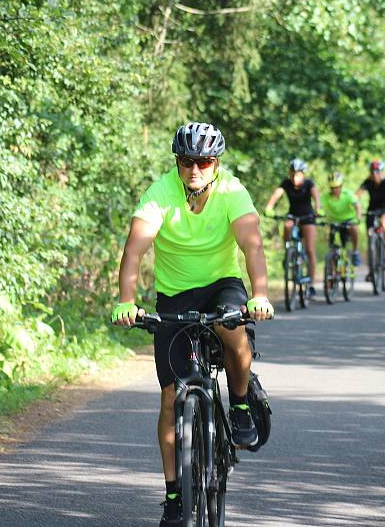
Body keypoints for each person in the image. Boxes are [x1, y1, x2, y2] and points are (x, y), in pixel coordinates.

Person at [111, 122, 274, 527]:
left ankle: (238, 405)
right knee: (170, 398)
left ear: (216, 163)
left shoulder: (233, 192)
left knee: (234, 333)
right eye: (187, 161)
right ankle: (173, 497)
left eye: (204, 161)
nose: (195, 169)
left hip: (222, 285)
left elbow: (251, 245)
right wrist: (126, 301)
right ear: (177, 163)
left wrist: (260, 294)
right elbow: (134, 251)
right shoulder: (160, 194)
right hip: (174, 295)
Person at [264, 158, 321, 295]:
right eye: (293, 173)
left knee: (310, 250)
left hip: (308, 216)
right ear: (289, 173)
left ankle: (311, 284)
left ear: (303, 174)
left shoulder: (309, 184)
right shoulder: (286, 183)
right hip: (293, 215)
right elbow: (276, 195)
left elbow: (316, 198)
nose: (295, 177)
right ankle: (288, 252)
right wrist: (269, 207)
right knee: (287, 225)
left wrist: (318, 210)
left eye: (298, 174)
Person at [319, 172, 362, 266]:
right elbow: (320, 209)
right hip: (333, 221)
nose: (335, 190)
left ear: (341, 186)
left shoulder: (348, 194)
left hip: (348, 220)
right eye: (332, 188)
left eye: (337, 187)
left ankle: (355, 251)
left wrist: (357, 219)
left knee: (353, 228)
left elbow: (357, 206)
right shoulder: (325, 196)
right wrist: (319, 216)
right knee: (331, 245)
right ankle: (331, 270)